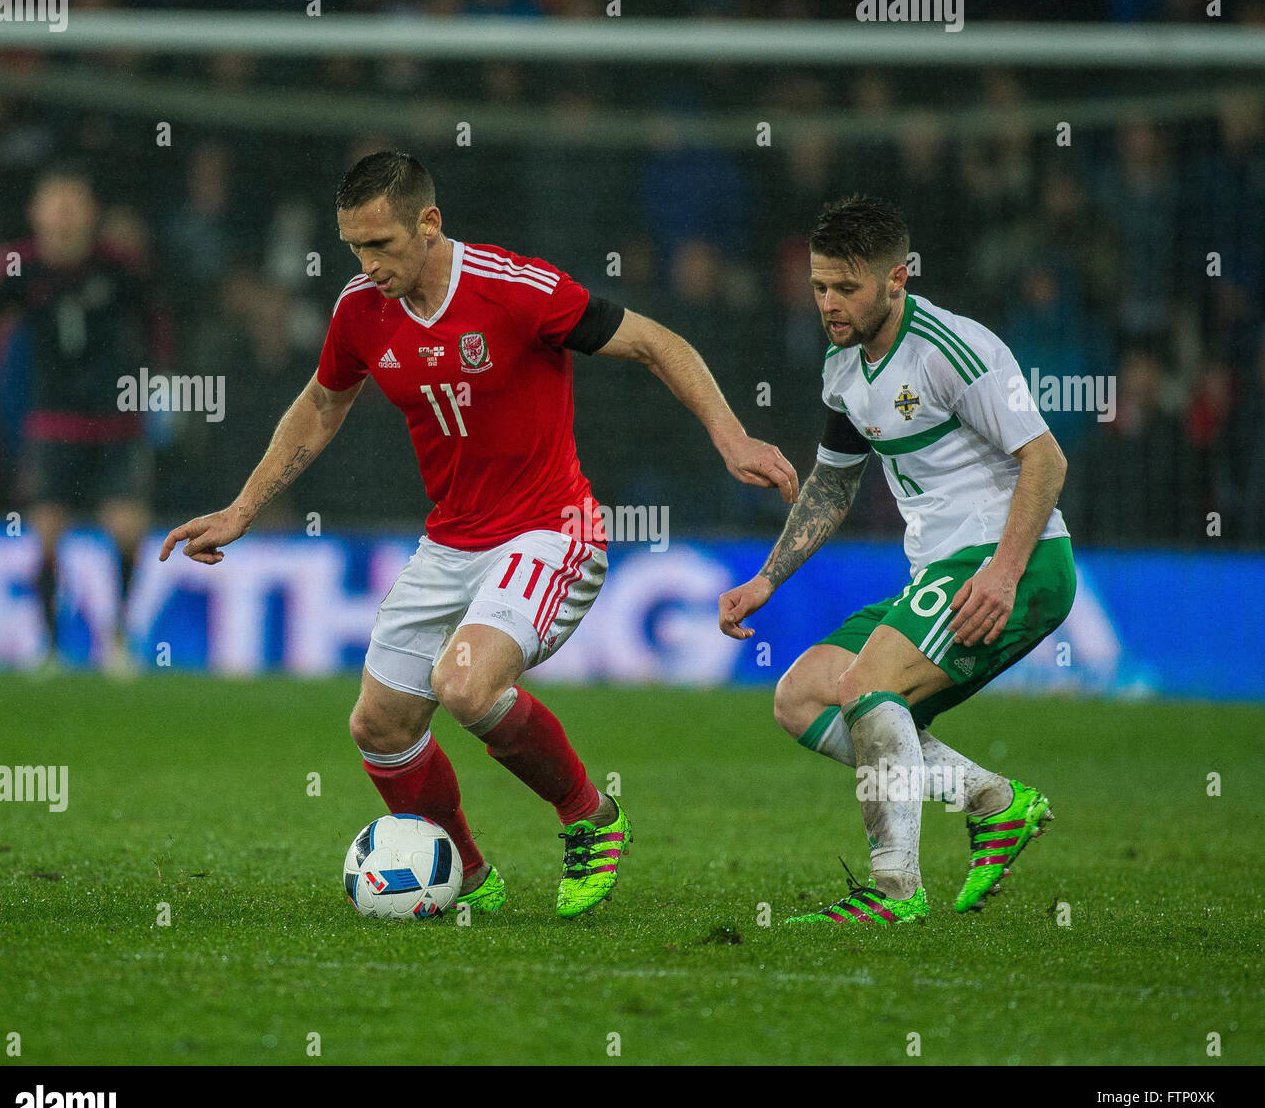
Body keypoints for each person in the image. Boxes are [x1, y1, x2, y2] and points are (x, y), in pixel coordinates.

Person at [161, 151, 797, 918]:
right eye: (354, 247)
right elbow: (323, 404)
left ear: (429, 223)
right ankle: (466, 870)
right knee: (378, 724)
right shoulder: (361, 308)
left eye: (382, 245)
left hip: (550, 530)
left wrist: (730, 438)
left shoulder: (516, 290)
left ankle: (592, 818)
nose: (369, 265)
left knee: (464, 684)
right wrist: (242, 507)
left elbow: (659, 343)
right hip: (450, 543)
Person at [719, 196, 1075, 926]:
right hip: (938, 570)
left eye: (846, 287)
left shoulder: (954, 349)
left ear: (897, 279)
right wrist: (766, 577)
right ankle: (990, 801)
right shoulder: (843, 364)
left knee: (865, 683)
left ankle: (894, 888)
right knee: (801, 695)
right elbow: (834, 480)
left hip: (1014, 561)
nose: (829, 303)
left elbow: (1045, 458)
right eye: (819, 286)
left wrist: (1003, 572)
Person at [0, 164, 164, 673]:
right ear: (36, 212)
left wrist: (161, 387)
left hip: (115, 423)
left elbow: (157, 323)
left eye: (74, 203)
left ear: (90, 212)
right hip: (51, 422)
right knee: (47, 531)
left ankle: (118, 638)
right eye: (55, 203)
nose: (65, 214)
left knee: (126, 528)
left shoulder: (117, 268)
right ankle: (50, 647)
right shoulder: (19, 267)